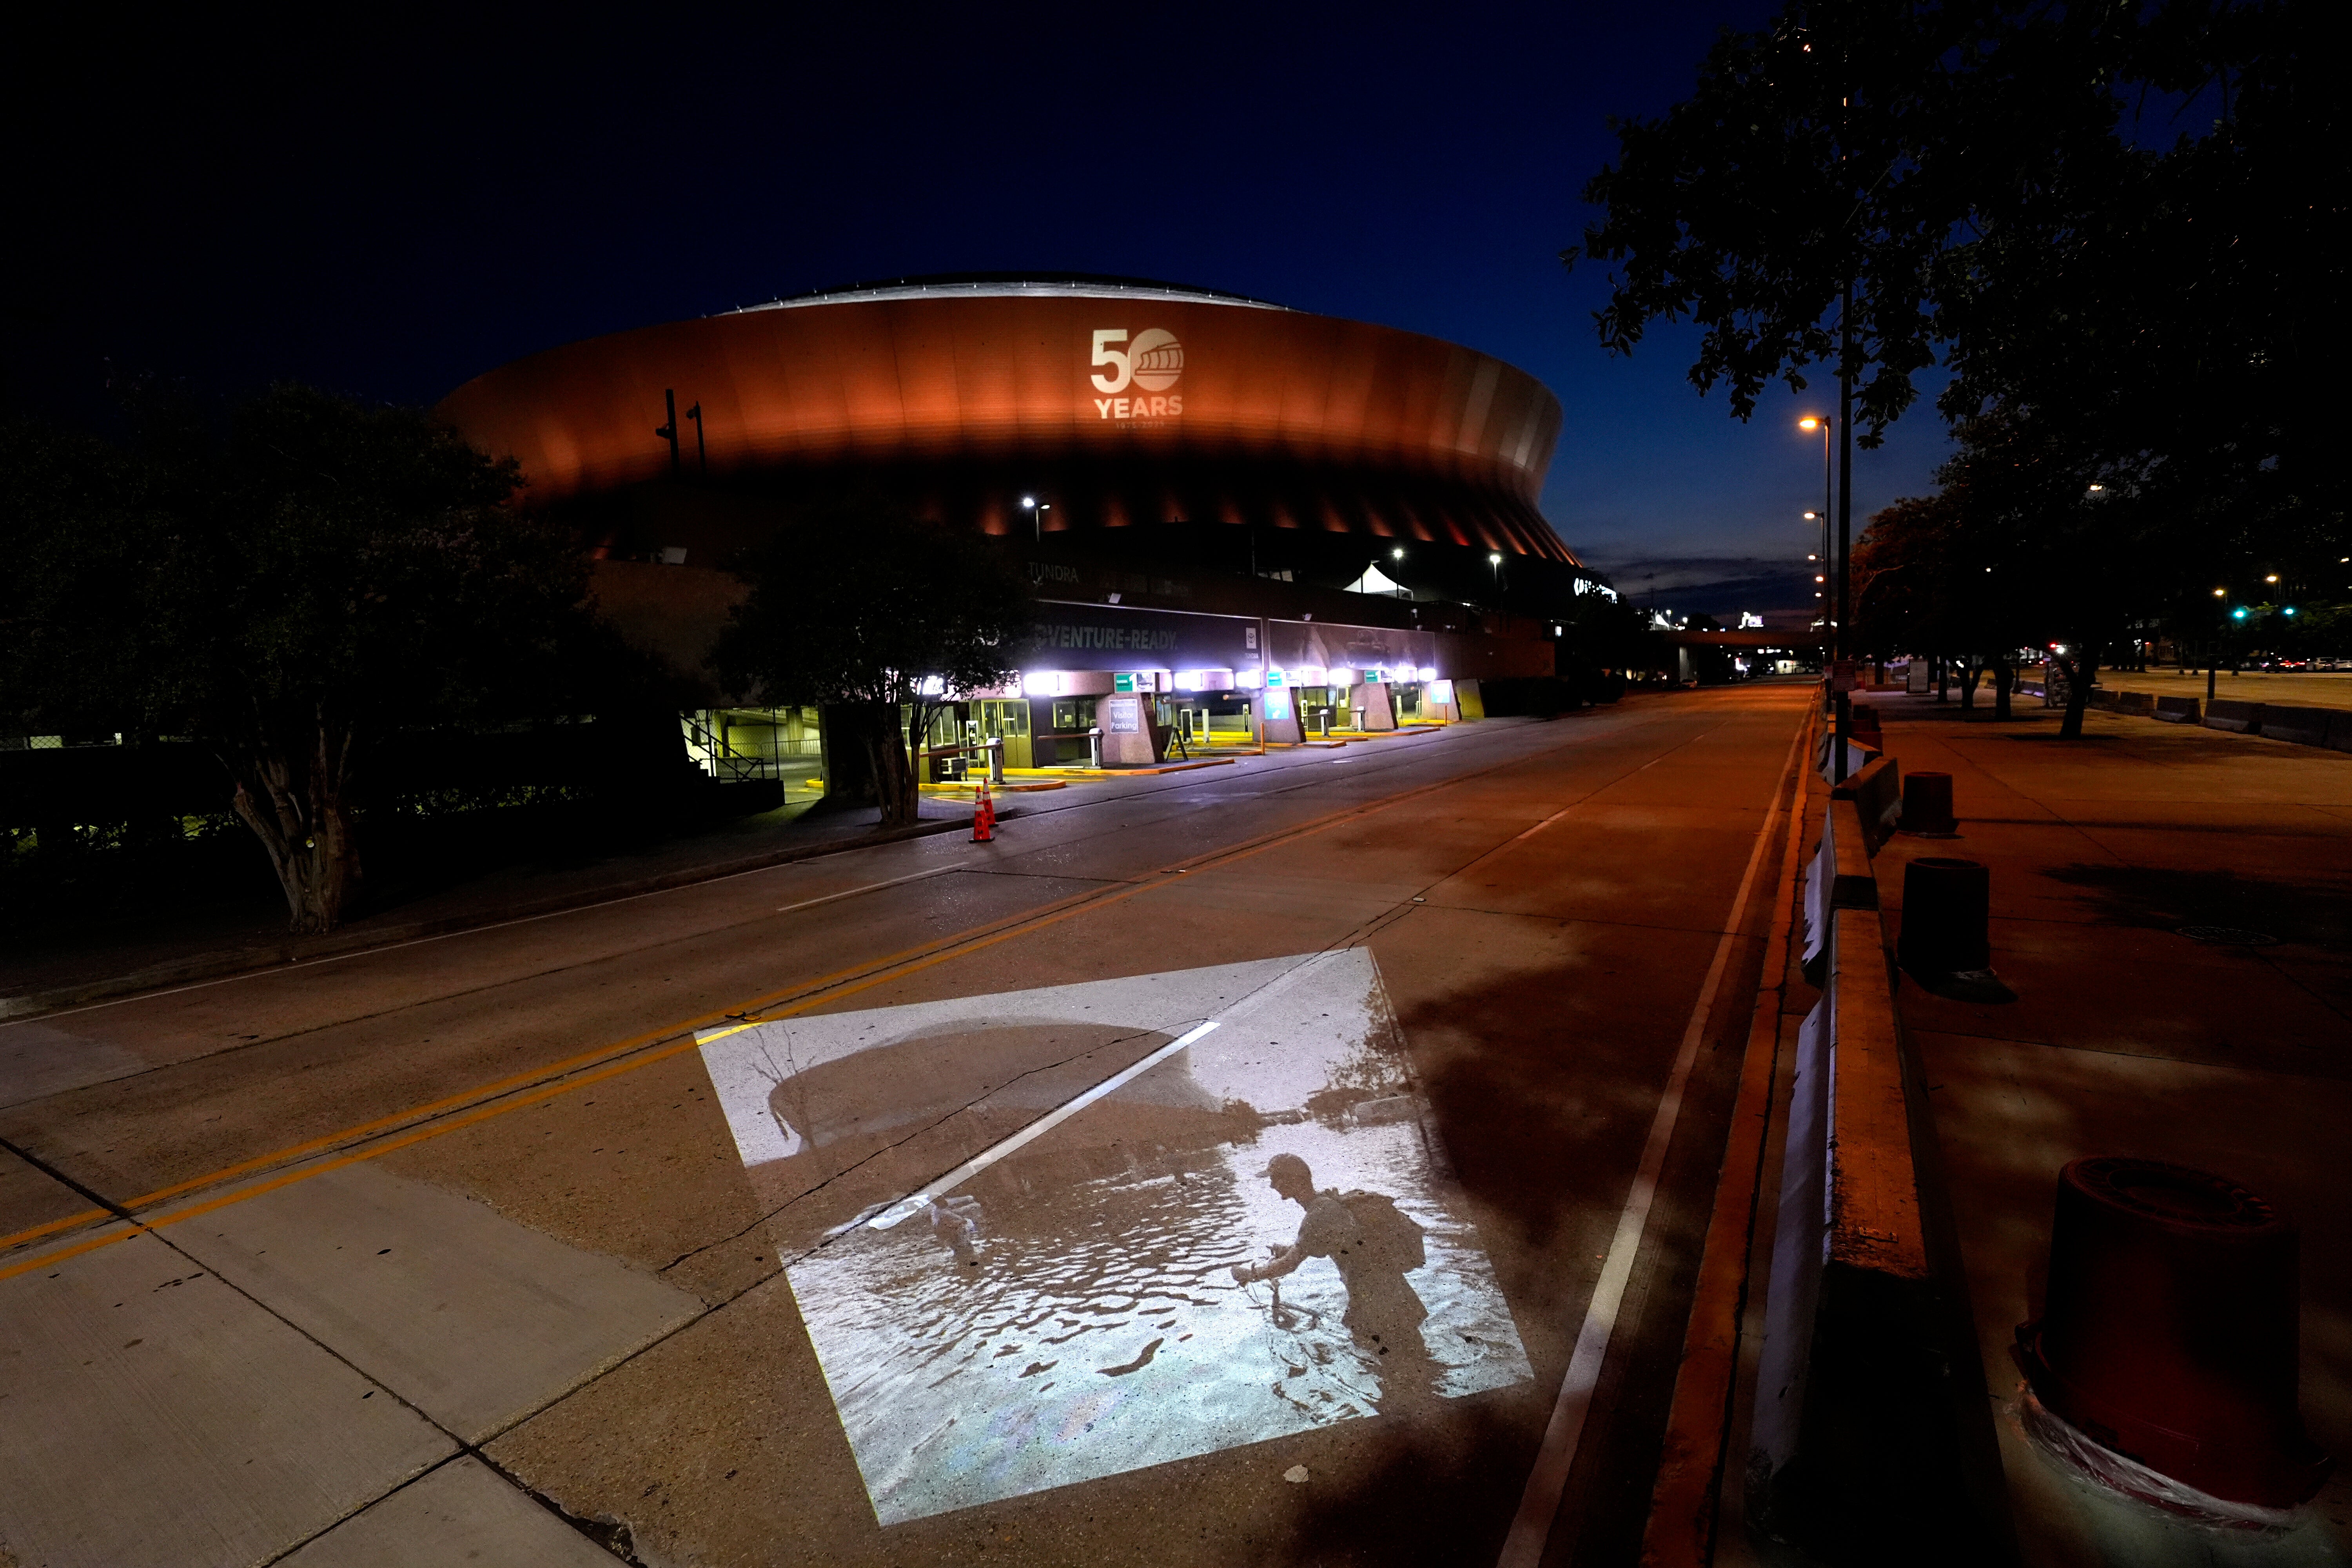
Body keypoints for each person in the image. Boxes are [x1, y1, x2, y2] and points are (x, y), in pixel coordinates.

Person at [1232, 1153, 1435, 1404]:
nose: (1272, 1186)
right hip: (1384, 1292)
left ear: (1291, 1182)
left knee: (1401, 1373)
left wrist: (1251, 1274)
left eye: (1275, 1179)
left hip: (1378, 1300)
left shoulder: (1318, 1215)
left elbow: (1291, 1264)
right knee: (1408, 1361)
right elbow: (1322, 1245)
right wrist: (1290, 1249)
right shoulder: (1324, 1205)